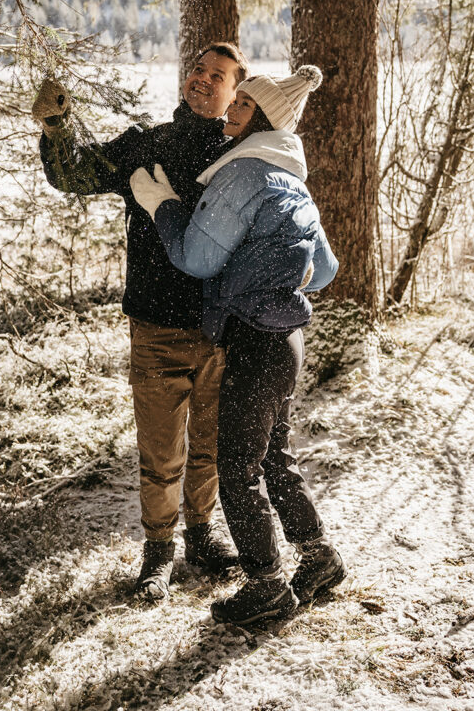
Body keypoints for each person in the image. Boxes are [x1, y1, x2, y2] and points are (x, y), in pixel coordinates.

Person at [129, 65, 345, 626]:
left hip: (250, 339)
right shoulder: (291, 181)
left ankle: (268, 583)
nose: (231, 111)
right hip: (287, 339)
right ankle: (319, 558)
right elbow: (324, 271)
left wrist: (163, 206)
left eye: (243, 105)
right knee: (275, 455)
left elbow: (197, 259)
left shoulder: (242, 175)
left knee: (238, 468)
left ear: (264, 121)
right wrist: (272, 269)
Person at [32, 43, 249, 601]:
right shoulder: (145, 144)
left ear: (234, 92)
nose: (203, 80)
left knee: (210, 445)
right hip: (155, 328)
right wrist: (58, 127)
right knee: (161, 453)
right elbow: (75, 173)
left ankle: (202, 536)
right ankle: (159, 552)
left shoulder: (244, 152)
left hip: (222, 327)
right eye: (198, 69)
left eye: (217, 76)